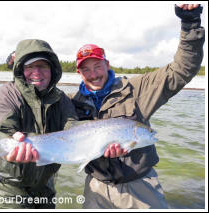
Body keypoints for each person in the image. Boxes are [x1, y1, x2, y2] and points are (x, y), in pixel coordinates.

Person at [70, 4, 204, 209]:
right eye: (86, 69)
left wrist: (190, 22)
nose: (94, 74)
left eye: (97, 66)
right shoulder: (71, 101)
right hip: (95, 188)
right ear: (79, 73)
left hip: (139, 187)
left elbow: (182, 69)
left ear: (107, 64)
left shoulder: (137, 88)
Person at [0, 39, 78, 208]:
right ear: (21, 69)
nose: (37, 72)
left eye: (43, 66)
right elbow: (1, 129)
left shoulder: (62, 99)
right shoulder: (6, 94)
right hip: (8, 184)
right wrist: (8, 145)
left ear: (52, 70)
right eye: (29, 67)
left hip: (44, 183)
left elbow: (72, 127)